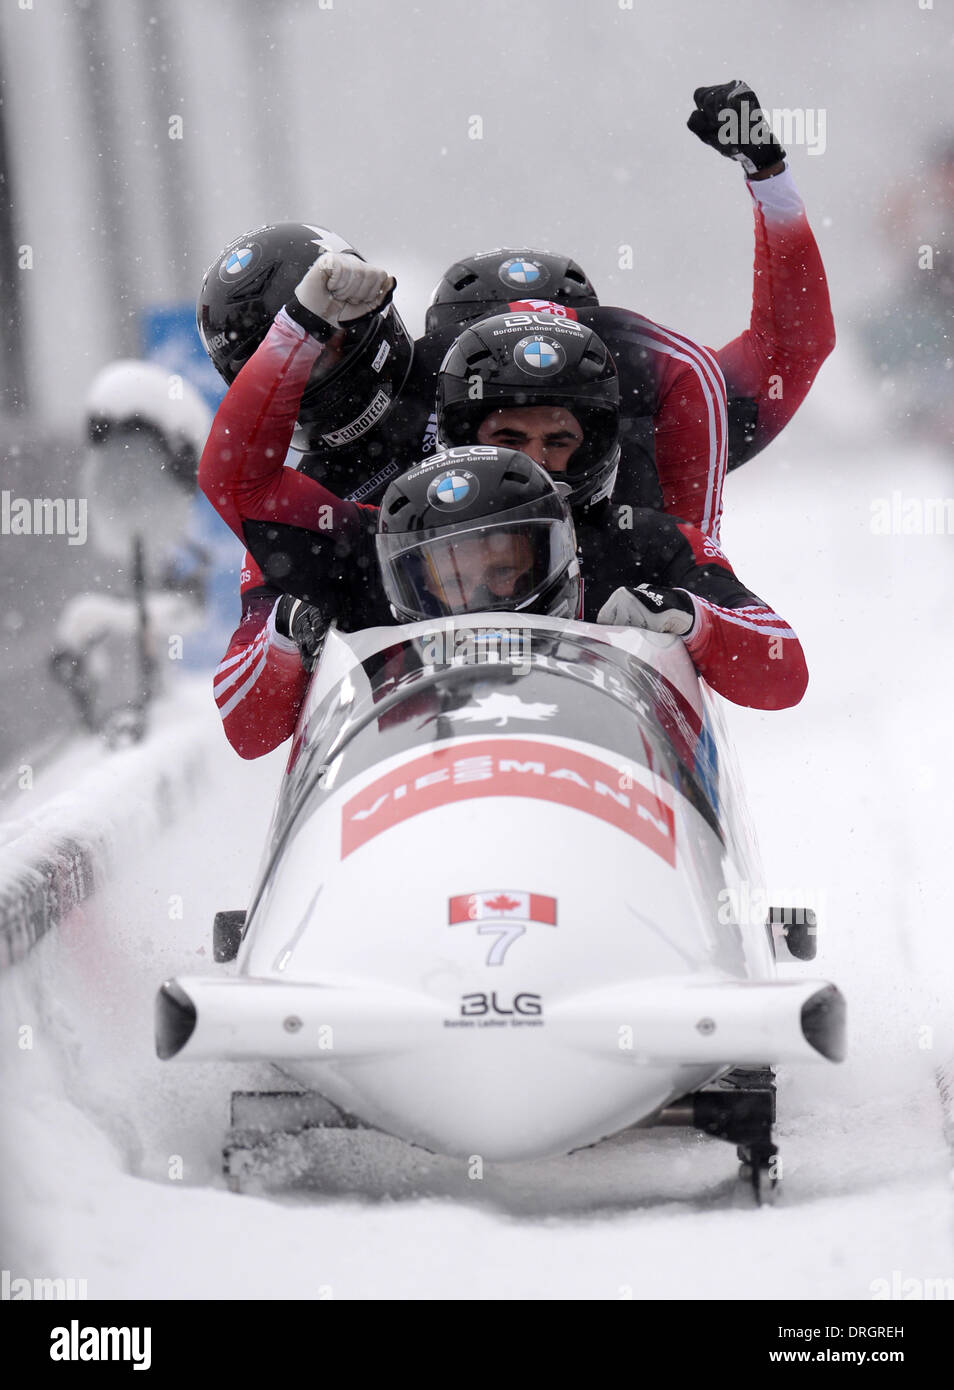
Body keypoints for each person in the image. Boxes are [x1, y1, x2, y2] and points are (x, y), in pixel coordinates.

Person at [203, 262, 807, 757]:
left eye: (560, 440)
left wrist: (686, 618)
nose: (539, 464)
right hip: (412, 770)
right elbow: (238, 483)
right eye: (510, 441)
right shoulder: (381, 534)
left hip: (594, 765)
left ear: (597, 445)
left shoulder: (645, 542)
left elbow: (783, 670)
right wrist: (298, 330)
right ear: (462, 437)